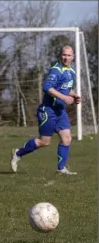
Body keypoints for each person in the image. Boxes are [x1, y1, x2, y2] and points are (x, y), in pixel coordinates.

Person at [10, 45, 81, 175]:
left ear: (73, 56)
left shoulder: (72, 71)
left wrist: (74, 95)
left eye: (69, 55)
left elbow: (64, 88)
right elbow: (47, 87)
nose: (66, 57)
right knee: (44, 142)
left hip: (60, 111)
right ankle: (18, 153)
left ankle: (61, 168)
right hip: (48, 110)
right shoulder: (56, 70)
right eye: (64, 55)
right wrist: (64, 97)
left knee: (67, 138)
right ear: (61, 55)